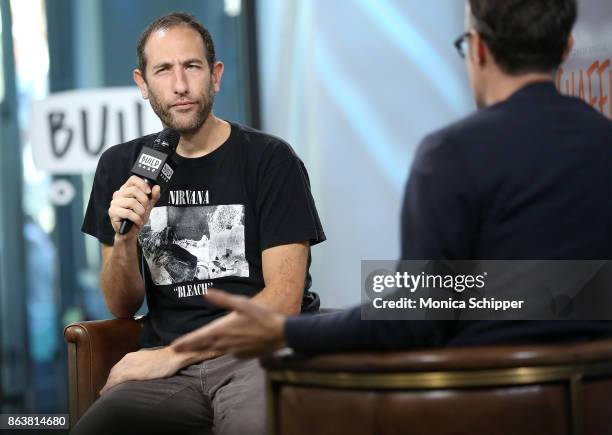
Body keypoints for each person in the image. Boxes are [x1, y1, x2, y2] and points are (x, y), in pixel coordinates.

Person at [172, 0, 612, 359]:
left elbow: (415, 317)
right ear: (566, 46)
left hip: (489, 404)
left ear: (477, 48)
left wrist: (290, 331)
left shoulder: (451, 154)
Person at [74, 12, 325, 435]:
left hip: (254, 354)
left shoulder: (269, 159)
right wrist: (125, 239)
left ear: (216, 75)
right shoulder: (121, 166)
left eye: (192, 66)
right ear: (142, 83)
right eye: (163, 70)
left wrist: (173, 355)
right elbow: (121, 305)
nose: (180, 85)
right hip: (169, 374)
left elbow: (284, 300)